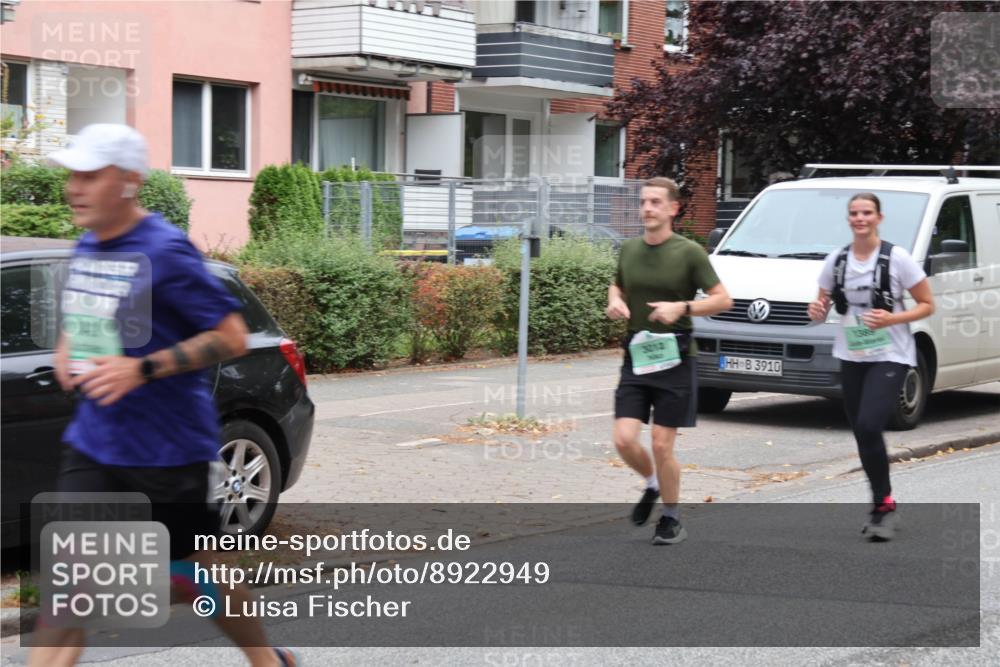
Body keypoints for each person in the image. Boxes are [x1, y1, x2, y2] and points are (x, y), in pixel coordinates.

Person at [28, 124, 297, 667]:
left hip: (167, 451)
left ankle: (267, 660)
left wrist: (141, 369)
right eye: (72, 175)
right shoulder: (88, 244)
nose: (73, 187)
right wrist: (64, 347)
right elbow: (87, 315)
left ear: (129, 181)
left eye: (90, 175)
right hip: (94, 443)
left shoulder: (166, 251)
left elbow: (231, 336)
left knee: (197, 577)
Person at [606, 177, 733, 544]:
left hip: (676, 358)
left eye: (656, 202)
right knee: (624, 439)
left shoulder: (689, 252)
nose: (647, 208)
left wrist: (684, 306)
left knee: (662, 444)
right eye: (644, 202)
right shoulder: (629, 249)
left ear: (673, 209)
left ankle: (672, 518)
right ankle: (652, 483)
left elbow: (724, 299)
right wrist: (615, 299)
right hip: (637, 355)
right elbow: (618, 283)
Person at [808, 192, 934, 542]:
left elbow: (927, 305)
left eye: (866, 213)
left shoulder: (898, 259)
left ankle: (883, 506)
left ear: (879, 218)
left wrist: (894, 317)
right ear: (849, 219)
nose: (860, 218)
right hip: (852, 354)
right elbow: (819, 304)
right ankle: (882, 503)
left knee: (869, 422)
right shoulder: (837, 260)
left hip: (891, 354)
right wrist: (816, 311)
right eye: (854, 213)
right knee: (862, 432)